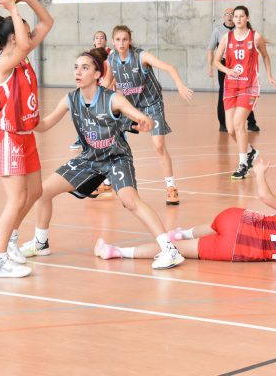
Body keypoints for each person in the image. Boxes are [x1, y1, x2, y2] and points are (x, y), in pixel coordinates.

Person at [19, 49, 185, 269]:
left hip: (116, 158)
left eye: (85, 67)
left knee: (130, 201)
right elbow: (45, 124)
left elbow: (137, 115)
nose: (78, 72)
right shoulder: (71, 99)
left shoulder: (112, 98)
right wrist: (24, 118)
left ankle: (169, 250)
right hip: (89, 158)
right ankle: (41, 243)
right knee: (43, 191)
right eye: (76, 67)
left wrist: (145, 120)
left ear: (98, 74)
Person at [95, 158, 276, 262]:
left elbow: (265, 196)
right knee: (173, 252)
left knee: (216, 225)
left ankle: (179, 233)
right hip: (238, 251)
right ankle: (116, 252)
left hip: (238, 221)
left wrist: (259, 173)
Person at [0, 0, 54, 277]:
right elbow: (26, 44)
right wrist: (13, 9)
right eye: (23, 31)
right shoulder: (2, 65)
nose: (30, 36)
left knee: (35, 191)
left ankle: (9, 238)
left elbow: (47, 22)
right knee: (16, 198)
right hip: (7, 137)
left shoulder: (22, 56)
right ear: (14, 37)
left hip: (25, 135)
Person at [108, 25, 193, 205]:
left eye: (124, 39)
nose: (121, 43)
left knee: (158, 145)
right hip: (130, 106)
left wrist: (180, 85)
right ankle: (107, 180)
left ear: (129, 40)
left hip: (151, 103)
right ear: (113, 42)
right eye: (118, 40)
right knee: (112, 139)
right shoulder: (111, 59)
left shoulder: (141, 56)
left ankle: (171, 187)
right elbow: (109, 82)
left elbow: (169, 67)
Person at [214, 6, 276, 180]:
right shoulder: (226, 38)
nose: (238, 19)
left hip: (249, 86)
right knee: (230, 130)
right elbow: (216, 61)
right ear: (232, 19)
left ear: (247, 18)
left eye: (241, 16)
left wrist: (270, 76)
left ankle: (243, 164)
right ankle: (250, 152)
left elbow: (265, 56)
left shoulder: (255, 37)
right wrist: (227, 71)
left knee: (238, 124)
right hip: (230, 87)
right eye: (235, 16)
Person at [207, 7, 259, 132]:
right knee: (223, 93)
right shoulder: (218, 31)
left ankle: (251, 122)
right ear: (224, 16)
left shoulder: (241, 29)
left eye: (232, 14)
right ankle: (223, 123)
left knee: (245, 92)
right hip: (225, 65)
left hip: (240, 63)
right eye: (227, 14)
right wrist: (210, 66)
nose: (230, 16)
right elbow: (210, 49)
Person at [70, 30, 113, 149]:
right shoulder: (89, 56)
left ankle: (114, 138)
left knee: (106, 117)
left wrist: (107, 86)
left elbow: (114, 74)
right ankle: (82, 139)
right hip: (92, 89)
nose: (99, 39)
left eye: (102, 37)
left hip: (106, 89)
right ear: (93, 41)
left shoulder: (111, 54)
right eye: (97, 38)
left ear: (105, 41)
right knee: (85, 115)